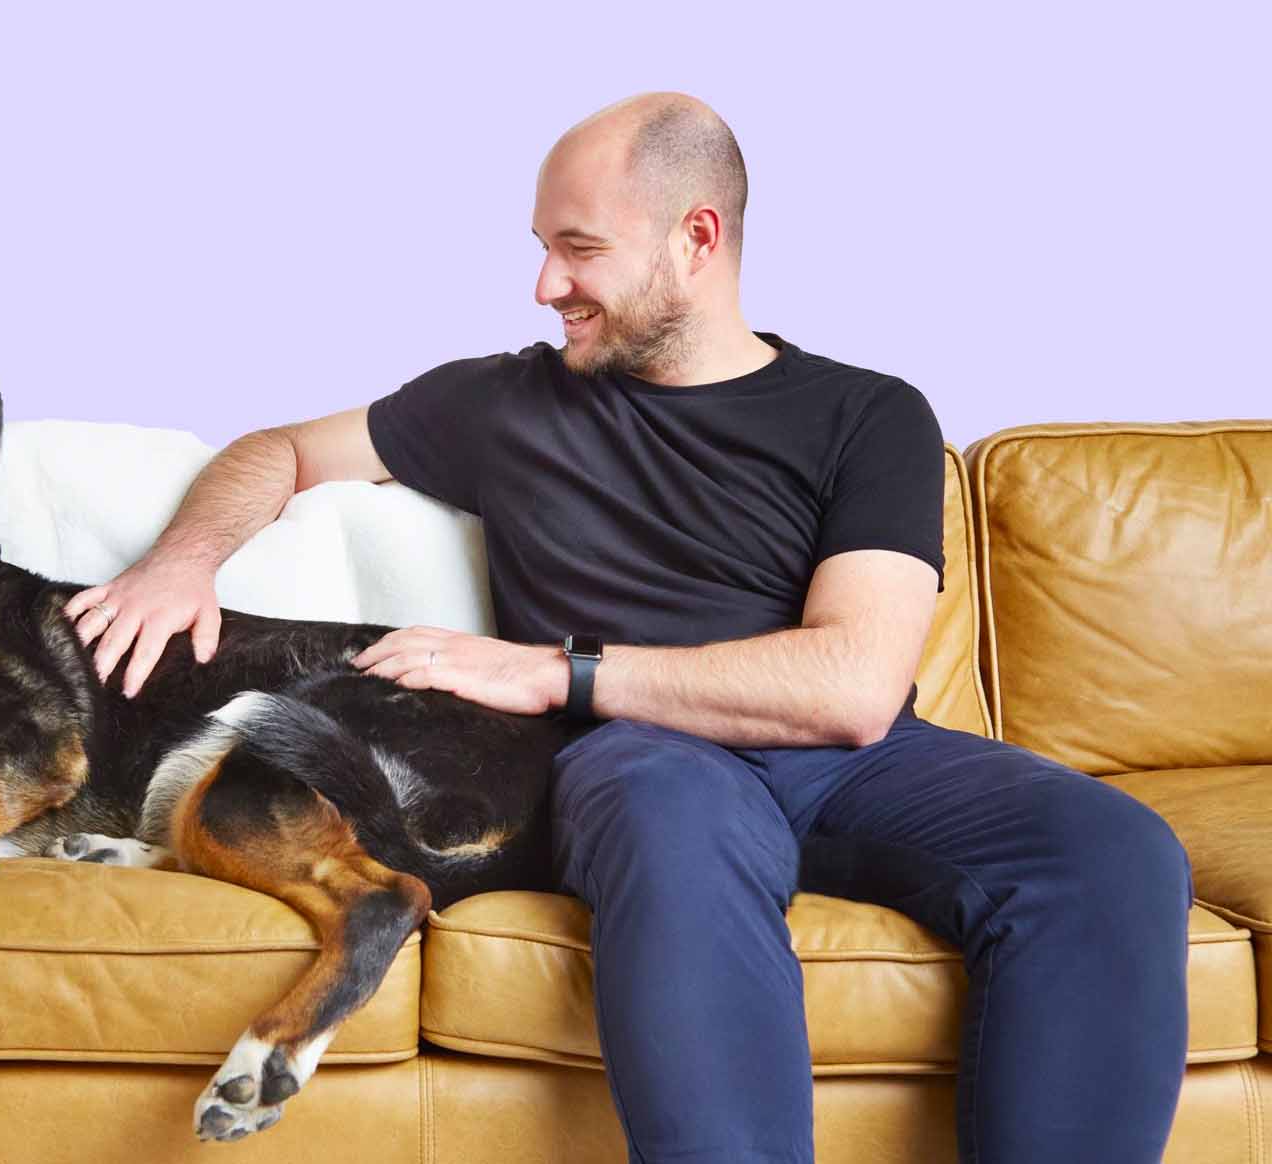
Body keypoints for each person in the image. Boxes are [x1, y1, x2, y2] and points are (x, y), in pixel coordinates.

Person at [62, 91, 1192, 1163]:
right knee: (674, 823)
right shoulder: (506, 402)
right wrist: (181, 562)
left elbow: (851, 686)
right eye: (543, 245)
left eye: (580, 247)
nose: (546, 283)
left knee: (1115, 848)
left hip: (847, 762)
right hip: (636, 761)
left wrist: (560, 671)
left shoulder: (870, 414)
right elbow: (285, 449)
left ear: (695, 239)